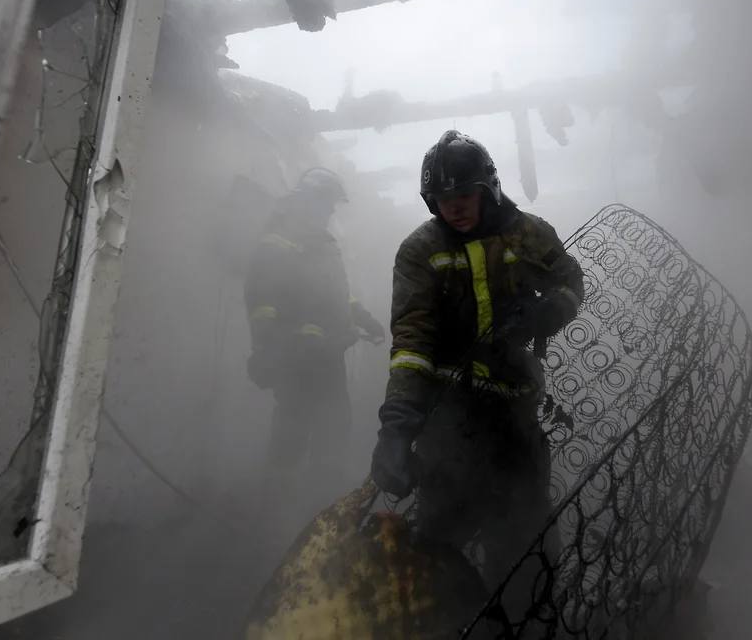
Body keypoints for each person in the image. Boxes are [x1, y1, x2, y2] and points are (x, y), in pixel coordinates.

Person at [370, 130, 584, 584]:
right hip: (449, 423)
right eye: (441, 198)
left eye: (465, 193)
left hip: (516, 420)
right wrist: (397, 426)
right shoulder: (420, 251)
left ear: (488, 188)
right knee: (437, 552)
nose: (455, 206)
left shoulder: (530, 233)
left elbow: (570, 279)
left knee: (527, 555)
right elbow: (411, 342)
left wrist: (552, 310)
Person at [244, 167, 386, 490]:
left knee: (335, 426)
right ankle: (275, 506)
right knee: (292, 432)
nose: (331, 211)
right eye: (327, 204)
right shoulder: (278, 241)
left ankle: (320, 501)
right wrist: (278, 345)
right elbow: (262, 301)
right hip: (296, 359)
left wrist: (363, 318)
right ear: (309, 200)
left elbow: (338, 294)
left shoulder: (322, 242)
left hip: (328, 355)